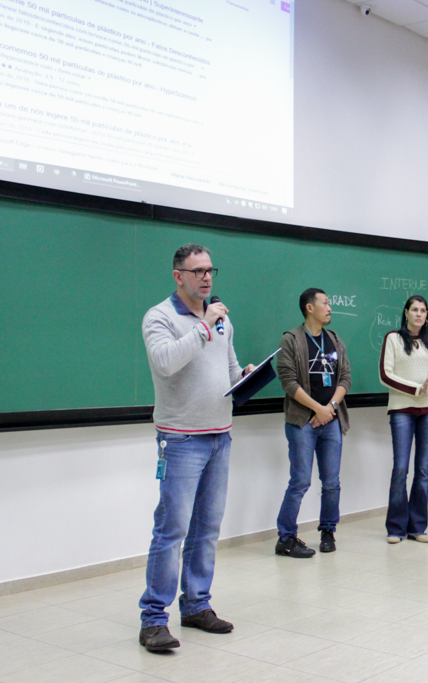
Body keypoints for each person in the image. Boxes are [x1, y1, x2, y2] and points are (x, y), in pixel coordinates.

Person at [138, 244, 254, 653]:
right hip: (181, 439)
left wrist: (246, 375)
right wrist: (203, 326)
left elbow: (229, 369)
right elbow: (165, 361)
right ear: (178, 276)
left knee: (207, 529)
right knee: (172, 530)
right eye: (198, 271)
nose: (206, 277)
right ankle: (154, 619)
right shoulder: (159, 317)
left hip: (220, 436)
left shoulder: (221, 319)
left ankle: (196, 605)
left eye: (210, 270)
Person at [274, 288, 352, 558]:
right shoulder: (291, 340)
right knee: (300, 481)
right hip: (303, 422)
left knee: (331, 482)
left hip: (331, 419)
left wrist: (330, 408)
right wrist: (317, 409)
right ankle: (286, 537)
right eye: (325, 303)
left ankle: (328, 531)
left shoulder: (334, 339)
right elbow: (288, 381)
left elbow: (345, 378)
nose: (330, 308)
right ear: (310, 308)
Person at [379, 295, 428, 544]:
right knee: (401, 469)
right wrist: (416, 389)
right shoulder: (393, 339)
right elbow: (385, 375)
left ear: (427, 316)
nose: (419, 314)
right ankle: (396, 528)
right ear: (406, 313)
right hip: (402, 409)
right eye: (415, 310)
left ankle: (417, 527)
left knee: (423, 470)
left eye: (423, 311)